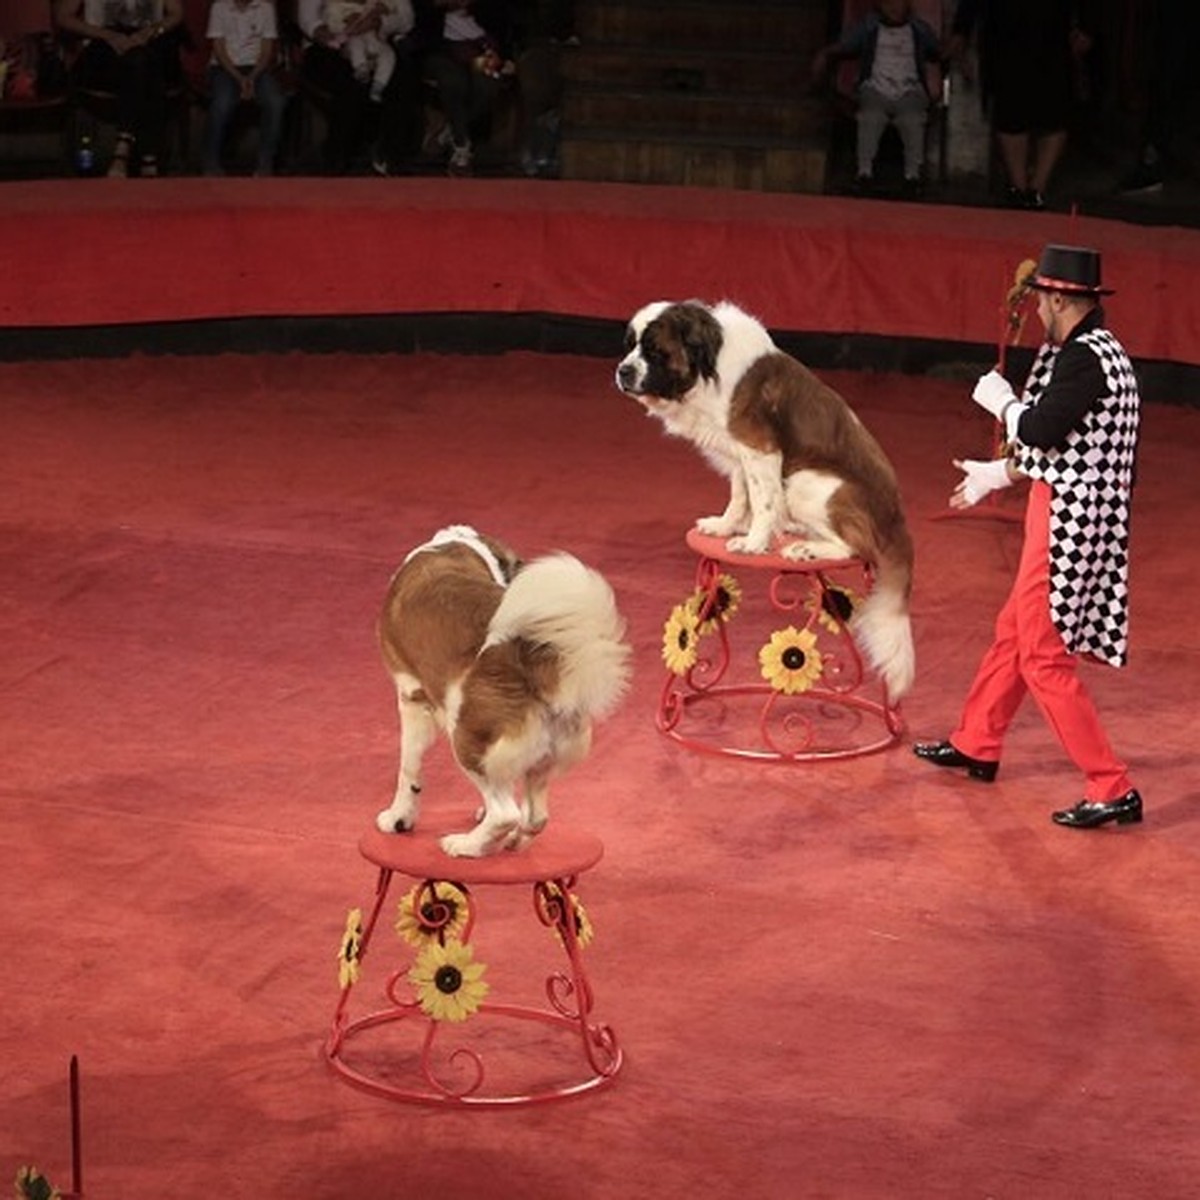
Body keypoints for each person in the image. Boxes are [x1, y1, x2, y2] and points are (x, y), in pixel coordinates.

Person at [914, 244, 1143, 831]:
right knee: (1015, 631)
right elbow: (1066, 445)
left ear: (1061, 299)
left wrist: (1002, 401)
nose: (1039, 307)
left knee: (1043, 652)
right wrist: (998, 474)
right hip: (1069, 506)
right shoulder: (1095, 352)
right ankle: (977, 741)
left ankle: (1111, 784)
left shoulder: (1085, 359)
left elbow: (1040, 429)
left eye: (1043, 297)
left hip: (1071, 516)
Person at [948, 0, 1096, 210]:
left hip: (1053, 35)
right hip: (1005, 33)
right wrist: (961, 29)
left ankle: (1037, 189)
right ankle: (1018, 188)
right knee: (1010, 111)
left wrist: (1087, 26)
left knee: (1056, 113)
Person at [811, 0, 943, 198]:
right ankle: (864, 172)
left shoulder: (918, 29)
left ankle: (912, 177)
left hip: (909, 90)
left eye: (899, 3)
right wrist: (825, 54)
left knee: (912, 121)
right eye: (888, 3)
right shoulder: (869, 27)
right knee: (870, 119)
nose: (894, 8)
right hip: (876, 89)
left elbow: (936, 51)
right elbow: (846, 45)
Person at [53, 0, 185, 178]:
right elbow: (63, 17)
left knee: (143, 61)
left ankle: (122, 149)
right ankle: (148, 155)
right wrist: (106, 35)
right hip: (103, 45)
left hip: (150, 42)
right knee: (143, 66)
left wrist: (152, 31)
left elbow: (176, 13)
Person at [296, 0, 423, 174]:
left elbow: (406, 19)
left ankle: (390, 156)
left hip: (378, 41)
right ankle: (337, 160)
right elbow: (308, 18)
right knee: (352, 82)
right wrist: (334, 38)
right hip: (329, 43)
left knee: (403, 78)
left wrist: (381, 23)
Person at [422, 0, 516, 176]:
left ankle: (451, 128)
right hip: (442, 50)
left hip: (481, 50)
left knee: (489, 86)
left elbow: (502, 17)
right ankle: (461, 147)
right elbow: (421, 15)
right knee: (453, 83)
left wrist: (472, 5)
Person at [203, 0, 288, 176]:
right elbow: (218, 49)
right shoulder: (219, 7)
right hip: (225, 66)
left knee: (275, 102)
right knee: (222, 104)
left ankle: (265, 163)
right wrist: (239, 78)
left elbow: (266, 50)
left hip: (256, 67)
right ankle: (211, 162)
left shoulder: (266, 8)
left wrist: (251, 77)